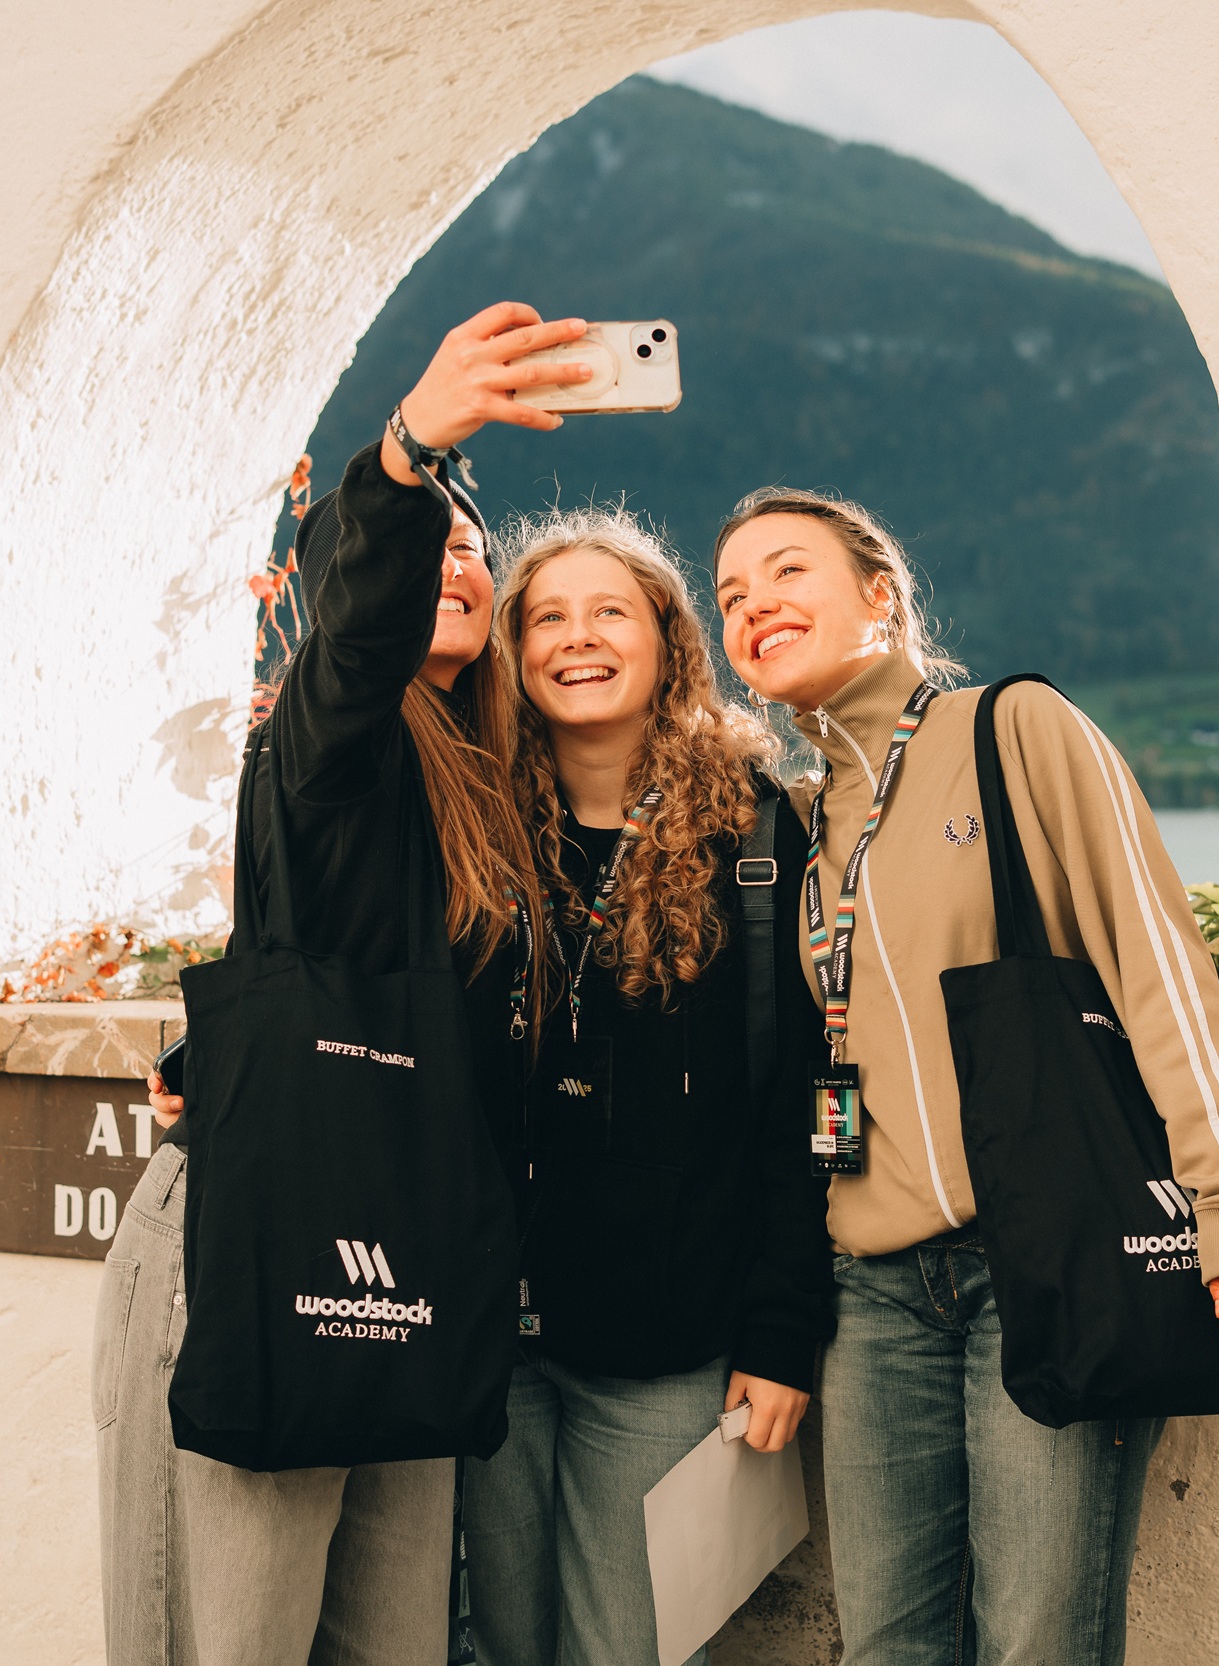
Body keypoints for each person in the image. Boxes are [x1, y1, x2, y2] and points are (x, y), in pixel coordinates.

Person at [710, 488, 1219, 1666]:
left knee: (1037, 1642)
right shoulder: (799, 826)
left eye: (785, 571)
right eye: (728, 595)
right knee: (885, 1647)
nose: (753, 605)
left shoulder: (1011, 730)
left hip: (1045, 1258)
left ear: (880, 594)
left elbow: (1153, 957)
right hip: (874, 1295)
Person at [93, 302, 595, 1666]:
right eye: (431, 545)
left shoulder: (494, 792)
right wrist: (410, 455)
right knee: (237, 1641)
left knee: (393, 1645)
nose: (457, 562)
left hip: (408, 1251)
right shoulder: (327, 742)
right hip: (267, 1236)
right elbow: (361, 631)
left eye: (475, 550)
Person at [461, 508, 834, 1666]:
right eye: (547, 618)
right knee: (500, 1646)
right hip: (490, 1336)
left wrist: (781, 1333)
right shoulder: (475, 828)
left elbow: (808, 1103)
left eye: (608, 612)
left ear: (668, 641)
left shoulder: (756, 840)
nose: (576, 637)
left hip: (667, 1345)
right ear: (515, 653)